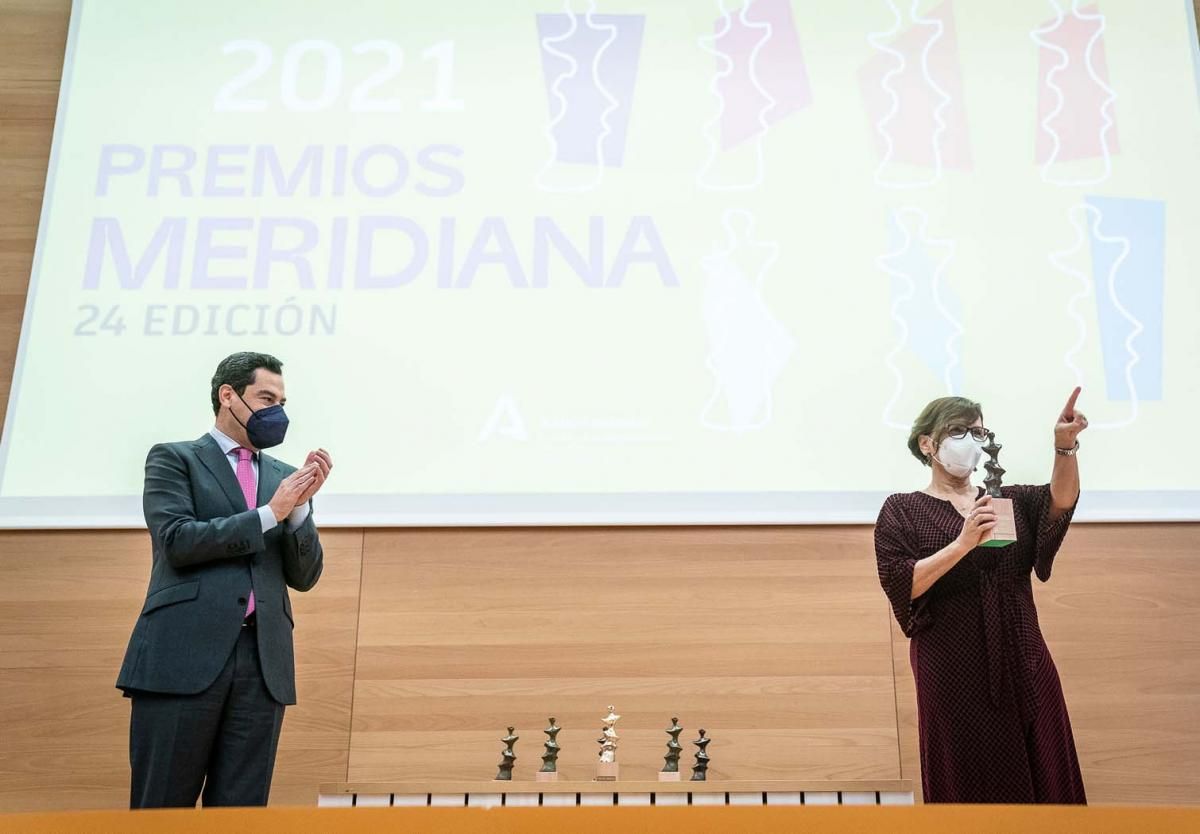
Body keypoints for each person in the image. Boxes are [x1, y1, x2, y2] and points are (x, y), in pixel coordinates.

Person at [116, 352, 332, 808]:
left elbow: (306, 576)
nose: (278, 412)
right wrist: (268, 513)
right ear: (228, 396)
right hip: (183, 657)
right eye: (266, 398)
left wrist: (298, 513)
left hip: (262, 664)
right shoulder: (175, 459)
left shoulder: (284, 477)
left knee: (241, 813)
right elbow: (177, 540)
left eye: (283, 400)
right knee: (161, 809)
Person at [874, 388, 1088, 804]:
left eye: (977, 432)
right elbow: (903, 583)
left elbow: (1060, 501)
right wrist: (962, 544)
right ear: (927, 444)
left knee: (1045, 764)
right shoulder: (901, 510)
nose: (969, 442)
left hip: (1023, 655)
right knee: (970, 773)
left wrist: (1065, 447)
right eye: (957, 431)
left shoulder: (1007, 500)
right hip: (952, 667)